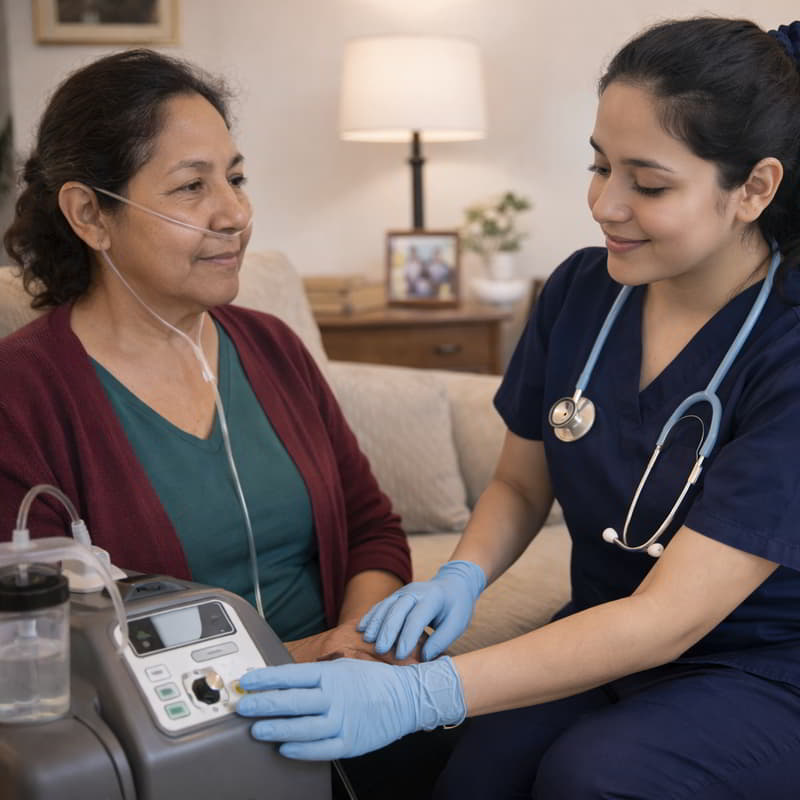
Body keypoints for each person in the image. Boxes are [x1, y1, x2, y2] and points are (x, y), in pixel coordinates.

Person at [235, 17, 800, 799]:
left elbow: (671, 618)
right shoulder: (583, 291)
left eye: (650, 183)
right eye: (599, 166)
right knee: (476, 771)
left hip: (762, 663)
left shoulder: (788, 348)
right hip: (601, 630)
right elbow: (521, 484)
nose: (605, 203)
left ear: (755, 189)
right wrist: (464, 574)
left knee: (594, 778)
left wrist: (419, 693)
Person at [0, 49, 454, 798]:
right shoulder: (25, 392)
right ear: (89, 214)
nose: (235, 214)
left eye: (236, 179)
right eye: (191, 187)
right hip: (192, 742)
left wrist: (358, 654)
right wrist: (304, 661)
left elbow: (372, 524)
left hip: (354, 700)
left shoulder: (269, 345)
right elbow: (54, 647)